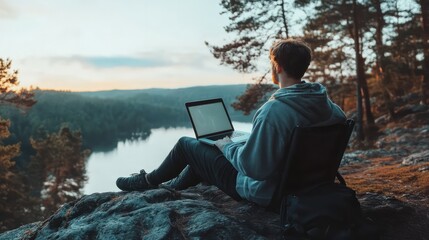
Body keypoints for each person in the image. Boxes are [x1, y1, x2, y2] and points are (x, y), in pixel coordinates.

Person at [116, 38, 346, 207]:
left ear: (278, 67)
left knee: (187, 144)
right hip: (305, 185)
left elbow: (254, 168)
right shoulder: (331, 108)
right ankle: (175, 187)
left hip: (268, 191)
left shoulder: (274, 111)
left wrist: (227, 146)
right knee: (211, 148)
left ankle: (147, 181)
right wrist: (240, 142)